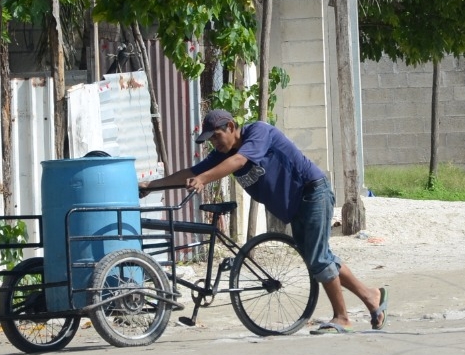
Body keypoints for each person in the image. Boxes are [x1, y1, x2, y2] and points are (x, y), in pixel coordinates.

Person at [140, 108, 388, 334]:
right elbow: (191, 173)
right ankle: (371, 296)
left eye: (216, 135)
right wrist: (152, 186)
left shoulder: (258, 132)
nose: (214, 143)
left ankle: (342, 317)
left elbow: (238, 162)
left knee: (318, 258)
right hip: (293, 206)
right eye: (210, 140)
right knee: (321, 257)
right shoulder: (222, 154)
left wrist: (204, 179)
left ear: (230, 126)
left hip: (312, 192)